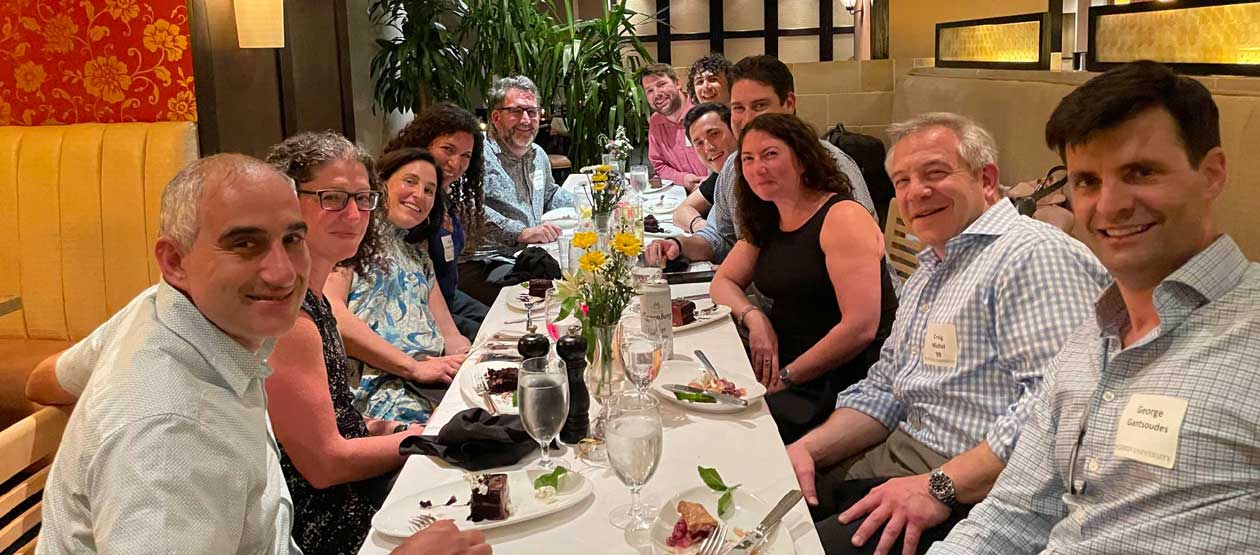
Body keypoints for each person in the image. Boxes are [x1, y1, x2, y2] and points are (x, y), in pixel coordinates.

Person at [32, 154, 490, 555]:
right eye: (244, 244)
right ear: (174, 262)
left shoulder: (155, 308)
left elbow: (44, 380)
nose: (281, 272)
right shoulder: (167, 438)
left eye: (292, 239)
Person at [930, 61, 1260, 555]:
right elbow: (1014, 513)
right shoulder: (1090, 338)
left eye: (1140, 172)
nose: (1109, 206)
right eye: (1086, 181)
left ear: (1212, 173)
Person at [785, 112, 1110, 555]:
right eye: (901, 181)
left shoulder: (1031, 256)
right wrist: (809, 450)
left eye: (935, 173)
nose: (915, 192)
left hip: (972, 491)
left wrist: (939, 486)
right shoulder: (931, 270)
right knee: (756, 503)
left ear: (987, 179)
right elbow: (886, 389)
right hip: (898, 454)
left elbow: (1055, 411)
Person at [264, 132, 426, 554]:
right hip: (327, 519)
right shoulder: (289, 317)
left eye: (363, 198)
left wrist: (401, 430)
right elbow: (323, 464)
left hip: (350, 488)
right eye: (333, 197)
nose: (354, 213)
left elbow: (333, 420)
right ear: (285, 200)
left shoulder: (314, 298)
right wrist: (428, 440)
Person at [710, 113, 897, 444]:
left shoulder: (842, 217)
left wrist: (786, 377)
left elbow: (861, 328)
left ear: (802, 159)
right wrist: (755, 318)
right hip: (788, 366)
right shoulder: (769, 216)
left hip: (841, 380)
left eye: (770, 154)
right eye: (748, 159)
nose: (757, 168)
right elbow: (722, 283)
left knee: (728, 434)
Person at [646, 55, 876, 266]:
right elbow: (718, 237)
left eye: (759, 106)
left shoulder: (828, 161)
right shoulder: (733, 167)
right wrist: (677, 245)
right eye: (738, 108)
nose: (747, 119)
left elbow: (867, 257)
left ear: (788, 103)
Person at [325, 149, 470, 424]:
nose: (419, 195)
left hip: (431, 380)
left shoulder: (419, 258)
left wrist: (475, 361)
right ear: (381, 184)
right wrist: (413, 368)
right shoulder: (353, 242)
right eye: (410, 181)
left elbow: (450, 336)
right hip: (383, 388)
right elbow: (335, 318)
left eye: (429, 190)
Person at [464, 75, 575, 305]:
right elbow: (467, 208)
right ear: (495, 117)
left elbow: (550, 195)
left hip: (529, 254)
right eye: (516, 111)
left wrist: (591, 204)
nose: (526, 120)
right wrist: (520, 232)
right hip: (487, 261)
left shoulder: (537, 154)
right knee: (550, 297)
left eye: (532, 112)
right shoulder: (474, 156)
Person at [385, 103, 490, 340]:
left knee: (501, 322)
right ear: (423, 144)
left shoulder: (442, 199)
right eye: (447, 149)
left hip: (449, 297)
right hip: (420, 307)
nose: (456, 163)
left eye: (465, 156)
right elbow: (416, 284)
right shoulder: (409, 206)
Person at [671, 102, 738, 234]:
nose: (708, 148)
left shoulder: (754, 173)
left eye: (714, 134)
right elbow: (682, 211)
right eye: (699, 143)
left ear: (735, 131)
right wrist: (702, 227)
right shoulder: (721, 176)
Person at [641, 63, 708, 192]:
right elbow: (659, 165)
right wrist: (683, 179)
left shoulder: (703, 112)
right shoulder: (655, 122)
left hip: (716, 193)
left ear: (677, 83)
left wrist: (710, 184)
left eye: (661, 85)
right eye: (649, 90)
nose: (657, 94)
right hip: (680, 194)